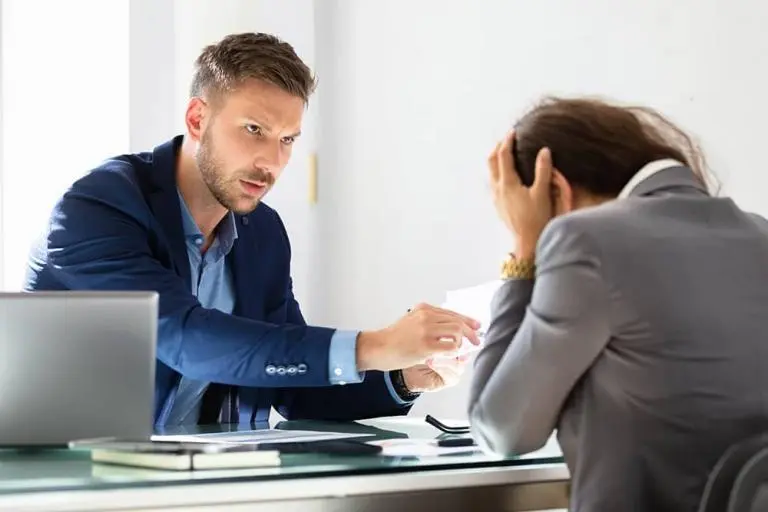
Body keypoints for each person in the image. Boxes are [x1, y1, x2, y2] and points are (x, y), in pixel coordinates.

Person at [24, 32, 480, 427]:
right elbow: (184, 338)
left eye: (287, 140)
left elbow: (293, 385)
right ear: (197, 120)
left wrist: (401, 375)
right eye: (254, 129)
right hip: (67, 482)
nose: (272, 162)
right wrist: (374, 345)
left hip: (202, 485)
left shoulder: (262, 232)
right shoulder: (99, 207)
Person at [468, 96, 768, 511]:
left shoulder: (585, 239)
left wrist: (524, 251)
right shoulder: (759, 235)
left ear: (556, 188)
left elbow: (501, 430)